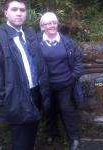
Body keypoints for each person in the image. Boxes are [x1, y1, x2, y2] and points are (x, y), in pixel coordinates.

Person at [0, 1, 49, 150]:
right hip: (16, 97)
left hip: (36, 92)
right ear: (5, 12)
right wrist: (3, 101)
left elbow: (39, 62)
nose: (19, 13)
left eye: (22, 10)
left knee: (32, 134)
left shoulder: (30, 33)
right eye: (14, 9)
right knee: (21, 141)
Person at [38, 12, 82, 150]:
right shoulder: (36, 42)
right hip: (46, 84)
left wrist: (73, 77)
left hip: (65, 83)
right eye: (48, 23)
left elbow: (78, 62)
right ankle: (52, 134)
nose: (52, 25)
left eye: (54, 22)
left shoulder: (68, 42)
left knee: (66, 109)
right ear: (42, 27)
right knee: (48, 109)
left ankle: (74, 138)